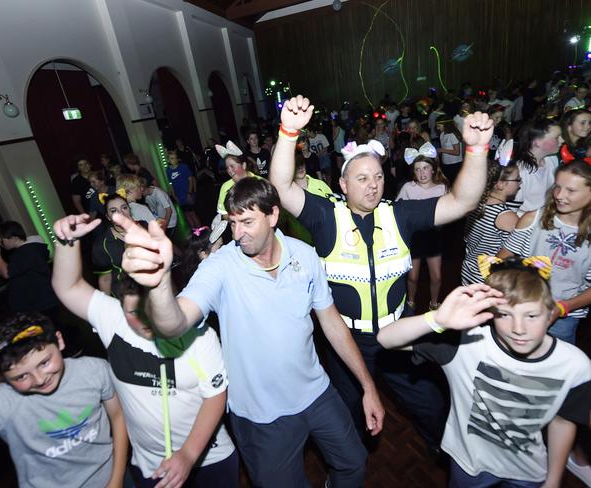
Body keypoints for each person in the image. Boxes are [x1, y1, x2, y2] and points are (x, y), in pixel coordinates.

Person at [114, 177, 385, 487]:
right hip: (261, 417)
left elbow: (333, 324)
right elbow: (174, 323)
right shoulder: (220, 267)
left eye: (246, 222)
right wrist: (159, 284)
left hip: (316, 394)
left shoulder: (304, 255)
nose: (237, 233)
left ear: (272, 216)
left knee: (353, 463)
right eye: (232, 223)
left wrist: (368, 386)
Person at [269, 94, 493, 453]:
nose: (372, 185)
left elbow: (462, 202)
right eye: (361, 178)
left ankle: (452, 462)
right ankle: (348, 471)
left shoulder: (399, 215)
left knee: (432, 408)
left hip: (398, 333)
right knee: (350, 417)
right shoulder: (326, 216)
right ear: (343, 185)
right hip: (346, 340)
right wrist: (288, 132)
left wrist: (478, 151)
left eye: (377, 177)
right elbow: (280, 188)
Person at [52, 215, 238, 488]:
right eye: (132, 314)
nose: (141, 322)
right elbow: (67, 287)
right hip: (150, 466)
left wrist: (188, 455)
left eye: (148, 312)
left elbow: (215, 397)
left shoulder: (199, 335)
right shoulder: (113, 320)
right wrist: (66, 242)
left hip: (209, 460)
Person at [377, 257, 591, 488]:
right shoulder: (464, 345)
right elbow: (386, 339)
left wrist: (554, 479)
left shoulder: (575, 365)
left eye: (531, 315)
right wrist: (437, 319)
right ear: (490, 313)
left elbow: (563, 421)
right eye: (504, 314)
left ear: (550, 312)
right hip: (469, 462)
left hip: (527, 467)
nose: (518, 329)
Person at [0, 313, 128, 488]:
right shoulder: (3, 403)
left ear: (59, 340)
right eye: (21, 377)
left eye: (44, 363)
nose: (39, 380)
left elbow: (117, 415)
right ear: (3, 376)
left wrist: (117, 479)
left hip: (111, 477)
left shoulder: (93, 370)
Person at [499, 160, 591, 345]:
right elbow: (502, 259)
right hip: (521, 308)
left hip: (564, 319)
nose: (559, 195)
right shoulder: (532, 219)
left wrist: (563, 307)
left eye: (571, 190)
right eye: (557, 187)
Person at [396, 144, 449, 311]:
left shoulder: (442, 188)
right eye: (418, 169)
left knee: (437, 277)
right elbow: (396, 211)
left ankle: (434, 303)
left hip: (434, 237)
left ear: (433, 169)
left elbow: (449, 213)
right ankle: (411, 302)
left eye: (425, 168)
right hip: (414, 238)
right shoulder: (407, 188)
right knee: (412, 277)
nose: (422, 173)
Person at [461, 161, 521, 285]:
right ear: (500, 184)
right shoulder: (506, 217)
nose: (520, 183)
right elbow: (513, 252)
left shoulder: (475, 205)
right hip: (488, 278)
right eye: (517, 179)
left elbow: (468, 239)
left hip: (469, 271)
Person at [0, 221, 59, 317]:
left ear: (14, 238)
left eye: (1, 241)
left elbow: (6, 273)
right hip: (42, 300)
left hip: (39, 303)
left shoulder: (24, 252)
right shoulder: (31, 248)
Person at [510, 119, 563, 216]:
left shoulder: (552, 161)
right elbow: (512, 211)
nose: (562, 140)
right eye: (556, 137)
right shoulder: (520, 171)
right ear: (537, 142)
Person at [92, 191, 133, 297]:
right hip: (125, 295)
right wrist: (107, 306)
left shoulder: (145, 227)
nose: (121, 214)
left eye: (124, 208)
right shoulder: (101, 245)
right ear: (108, 217)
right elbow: (105, 279)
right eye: (114, 211)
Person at [215, 142, 260, 216]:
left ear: (244, 165)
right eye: (227, 168)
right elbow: (224, 214)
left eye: (232, 166)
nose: (229, 170)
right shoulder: (225, 187)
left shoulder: (260, 182)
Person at [167, 151, 201, 228]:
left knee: (192, 213)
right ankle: (195, 233)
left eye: (175, 158)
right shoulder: (168, 170)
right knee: (186, 215)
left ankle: (202, 232)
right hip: (179, 196)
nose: (174, 160)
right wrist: (174, 195)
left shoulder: (183, 167)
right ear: (168, 160)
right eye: (172, 158)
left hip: (187, 194)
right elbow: (171, 183)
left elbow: (191, 180)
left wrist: (189, 193)